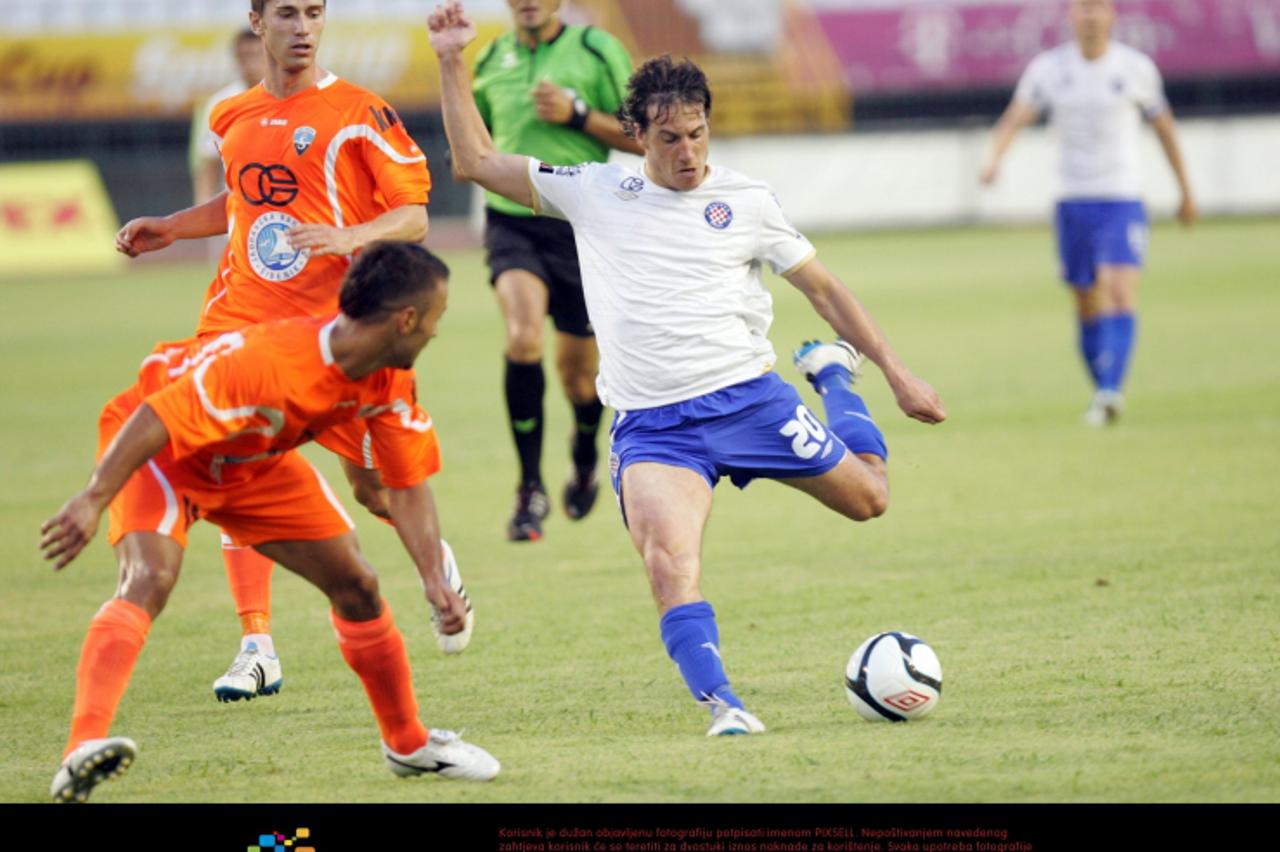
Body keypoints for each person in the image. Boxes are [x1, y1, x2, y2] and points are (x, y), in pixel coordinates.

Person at [428, 1, 947, 736]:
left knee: (871, 500)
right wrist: (451, 59)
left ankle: (833, 376)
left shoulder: (747, 200)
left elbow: (825, 289)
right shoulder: (595, 191)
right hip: (656, 430)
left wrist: (896, 373)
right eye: (669, 138)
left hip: (753, 403)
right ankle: (724, 705)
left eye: (698, 133)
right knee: (669, 565)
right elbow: (476, 163)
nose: (688, 152)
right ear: (636, 135)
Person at [42, 242, 500, 803]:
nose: (435, 331)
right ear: (406, 320)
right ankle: (80, 750)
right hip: (159, 449)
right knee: (150, 578)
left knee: (357, 585)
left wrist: (433, 576)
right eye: (435, 318)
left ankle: (408, 744)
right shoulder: (271, 363)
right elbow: (158, 415)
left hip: (251, 459)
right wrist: (92, 499)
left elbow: (405, 485)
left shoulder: (388, 380)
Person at [115, 0, 461, 705]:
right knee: (232, 463)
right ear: (257, 21)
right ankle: (256, 646)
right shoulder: (230, 114)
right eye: (287, 14)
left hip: (334, 338)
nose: (302, 27)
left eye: (313, 13)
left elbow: (415, 216)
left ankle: (434, 562)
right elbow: (243, 203)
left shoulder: (359, 112)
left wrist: (348, 236)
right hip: (241, 319)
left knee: (375, 489)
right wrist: (174, 228)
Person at [471, 0, 641, 541]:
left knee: (578, 379)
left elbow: (643, 135)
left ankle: (585, 454)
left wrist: (579, 115)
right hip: (511, 222)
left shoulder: (597, 50)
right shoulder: (488, 59)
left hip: (579, 225)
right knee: (523, 337)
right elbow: (477, 141)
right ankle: (529, 489)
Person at [980, 0, 1196, 426]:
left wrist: (1185, 191)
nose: (1091, 16)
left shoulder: (1135, 68)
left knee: (1119, 289)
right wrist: (994, 159)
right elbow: (1016, 117)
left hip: (1121, 197)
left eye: (1098, 8)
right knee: (1086, 298)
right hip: (1072, 199)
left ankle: (1111, 388)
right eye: (1084, 8)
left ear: (1112, 14)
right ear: (1071, 16)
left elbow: (1165, 129)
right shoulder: (1048, 69)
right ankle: (1102, 389)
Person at [190, 28, 266, 206]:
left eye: (257, 55)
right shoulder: (221, 103)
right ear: (236, 58)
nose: (252, 63)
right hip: (237, 205)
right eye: (246, 55)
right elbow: (209, 161)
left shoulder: (287, 96)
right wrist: (203, 205)